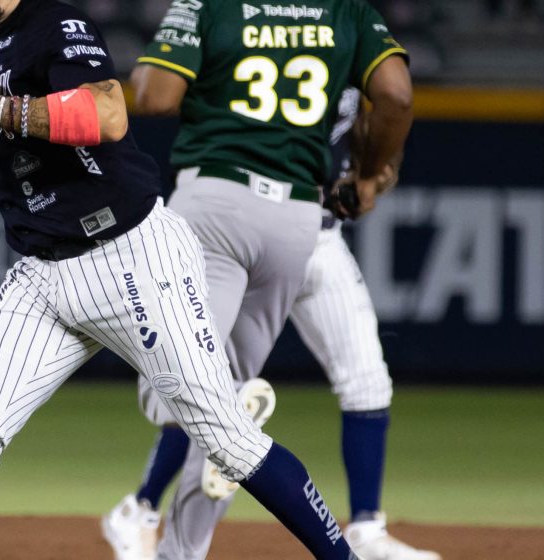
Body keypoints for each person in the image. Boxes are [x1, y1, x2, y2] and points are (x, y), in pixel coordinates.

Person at [0, 2, 362, 559]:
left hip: (130, 255)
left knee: (229, 441)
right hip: (41, 274)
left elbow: (107, 115)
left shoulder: (52, 23)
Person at [98, 1, 435, 559]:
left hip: (217, 205)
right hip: (297, 219)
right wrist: (373, 174)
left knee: (182, 388)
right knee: (227, 421)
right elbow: (397, 94)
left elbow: (154, 97)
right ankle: (177, 547)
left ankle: (217, 421)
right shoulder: (344, 13)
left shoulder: (212, 3)